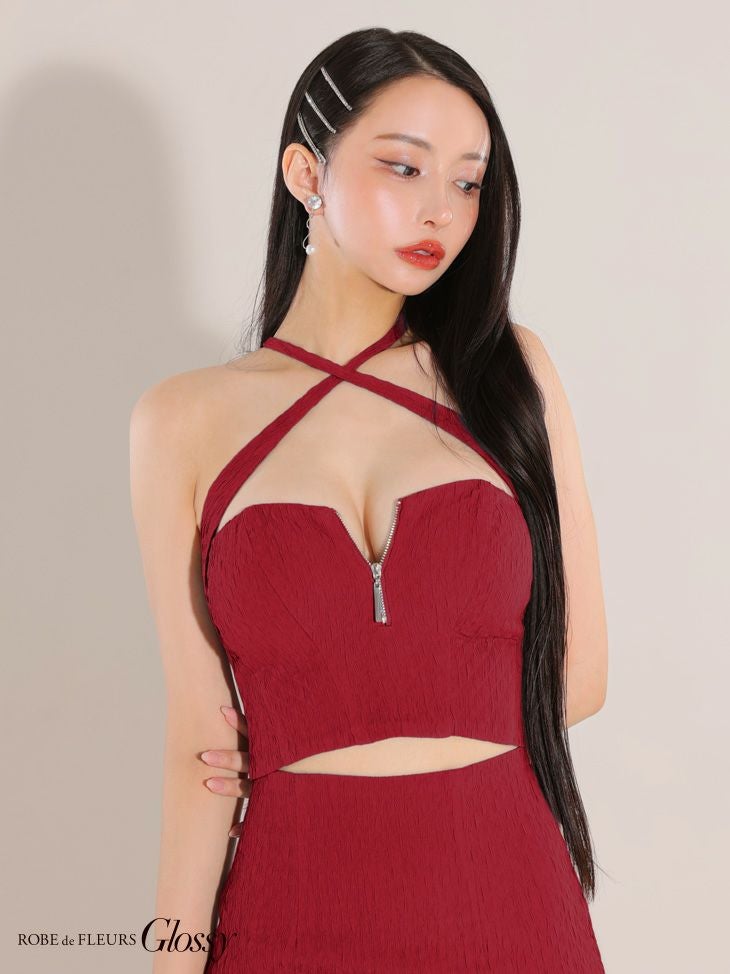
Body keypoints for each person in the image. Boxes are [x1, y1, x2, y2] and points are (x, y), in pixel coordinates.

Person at [130, 27, 608, 973]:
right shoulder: (182, 420)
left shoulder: (509, 375)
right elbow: (199, 751)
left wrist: (362, 701)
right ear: (306, 173)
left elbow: (581, 675)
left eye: (468, 183)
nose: (441, 211)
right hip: (288, 906)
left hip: (506, 899)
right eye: (404, 167)